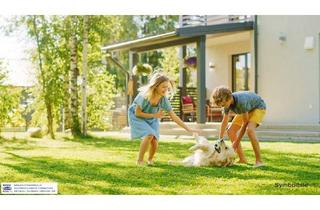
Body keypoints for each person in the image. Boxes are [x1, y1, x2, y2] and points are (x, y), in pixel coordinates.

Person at [128, 72, 199, 166]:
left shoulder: (163, 100)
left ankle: (150, 159)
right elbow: (138, 113)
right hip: (137, 117)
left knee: (154, 140)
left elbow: (174, 116)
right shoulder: (144, 96)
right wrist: (155, 115)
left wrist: (188, 129)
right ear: (156, 86)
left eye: (167, 87)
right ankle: (139, 160)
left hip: (153, 118)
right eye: (163, 87)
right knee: (149, 135)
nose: (166, 89)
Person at [211, 86, 267, 167]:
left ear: (229, 98)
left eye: (224, 104)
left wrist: (236, 142)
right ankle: (242, 159)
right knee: (230, 131)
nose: (224, 106)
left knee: (249, 130)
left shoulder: (241, 102)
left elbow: (245, 123)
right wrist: (220, 139)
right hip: (246, 109)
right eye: (222, 105)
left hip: (258, 107)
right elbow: (225, 121)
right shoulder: (226, 104)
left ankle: (259, 161)